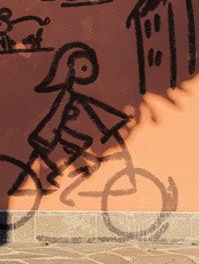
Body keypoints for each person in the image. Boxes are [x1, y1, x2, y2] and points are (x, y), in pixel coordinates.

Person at [28, 43, 129, 188]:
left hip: (56, 132)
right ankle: (52, 173)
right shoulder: (66, 93)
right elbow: (64, 114)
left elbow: (91, 109)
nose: (87, 73)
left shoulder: (72, 93)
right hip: (52, 134)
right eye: (83, 68)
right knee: (82, 143)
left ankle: (54, 171)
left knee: (81, 143)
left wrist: (109, 123)